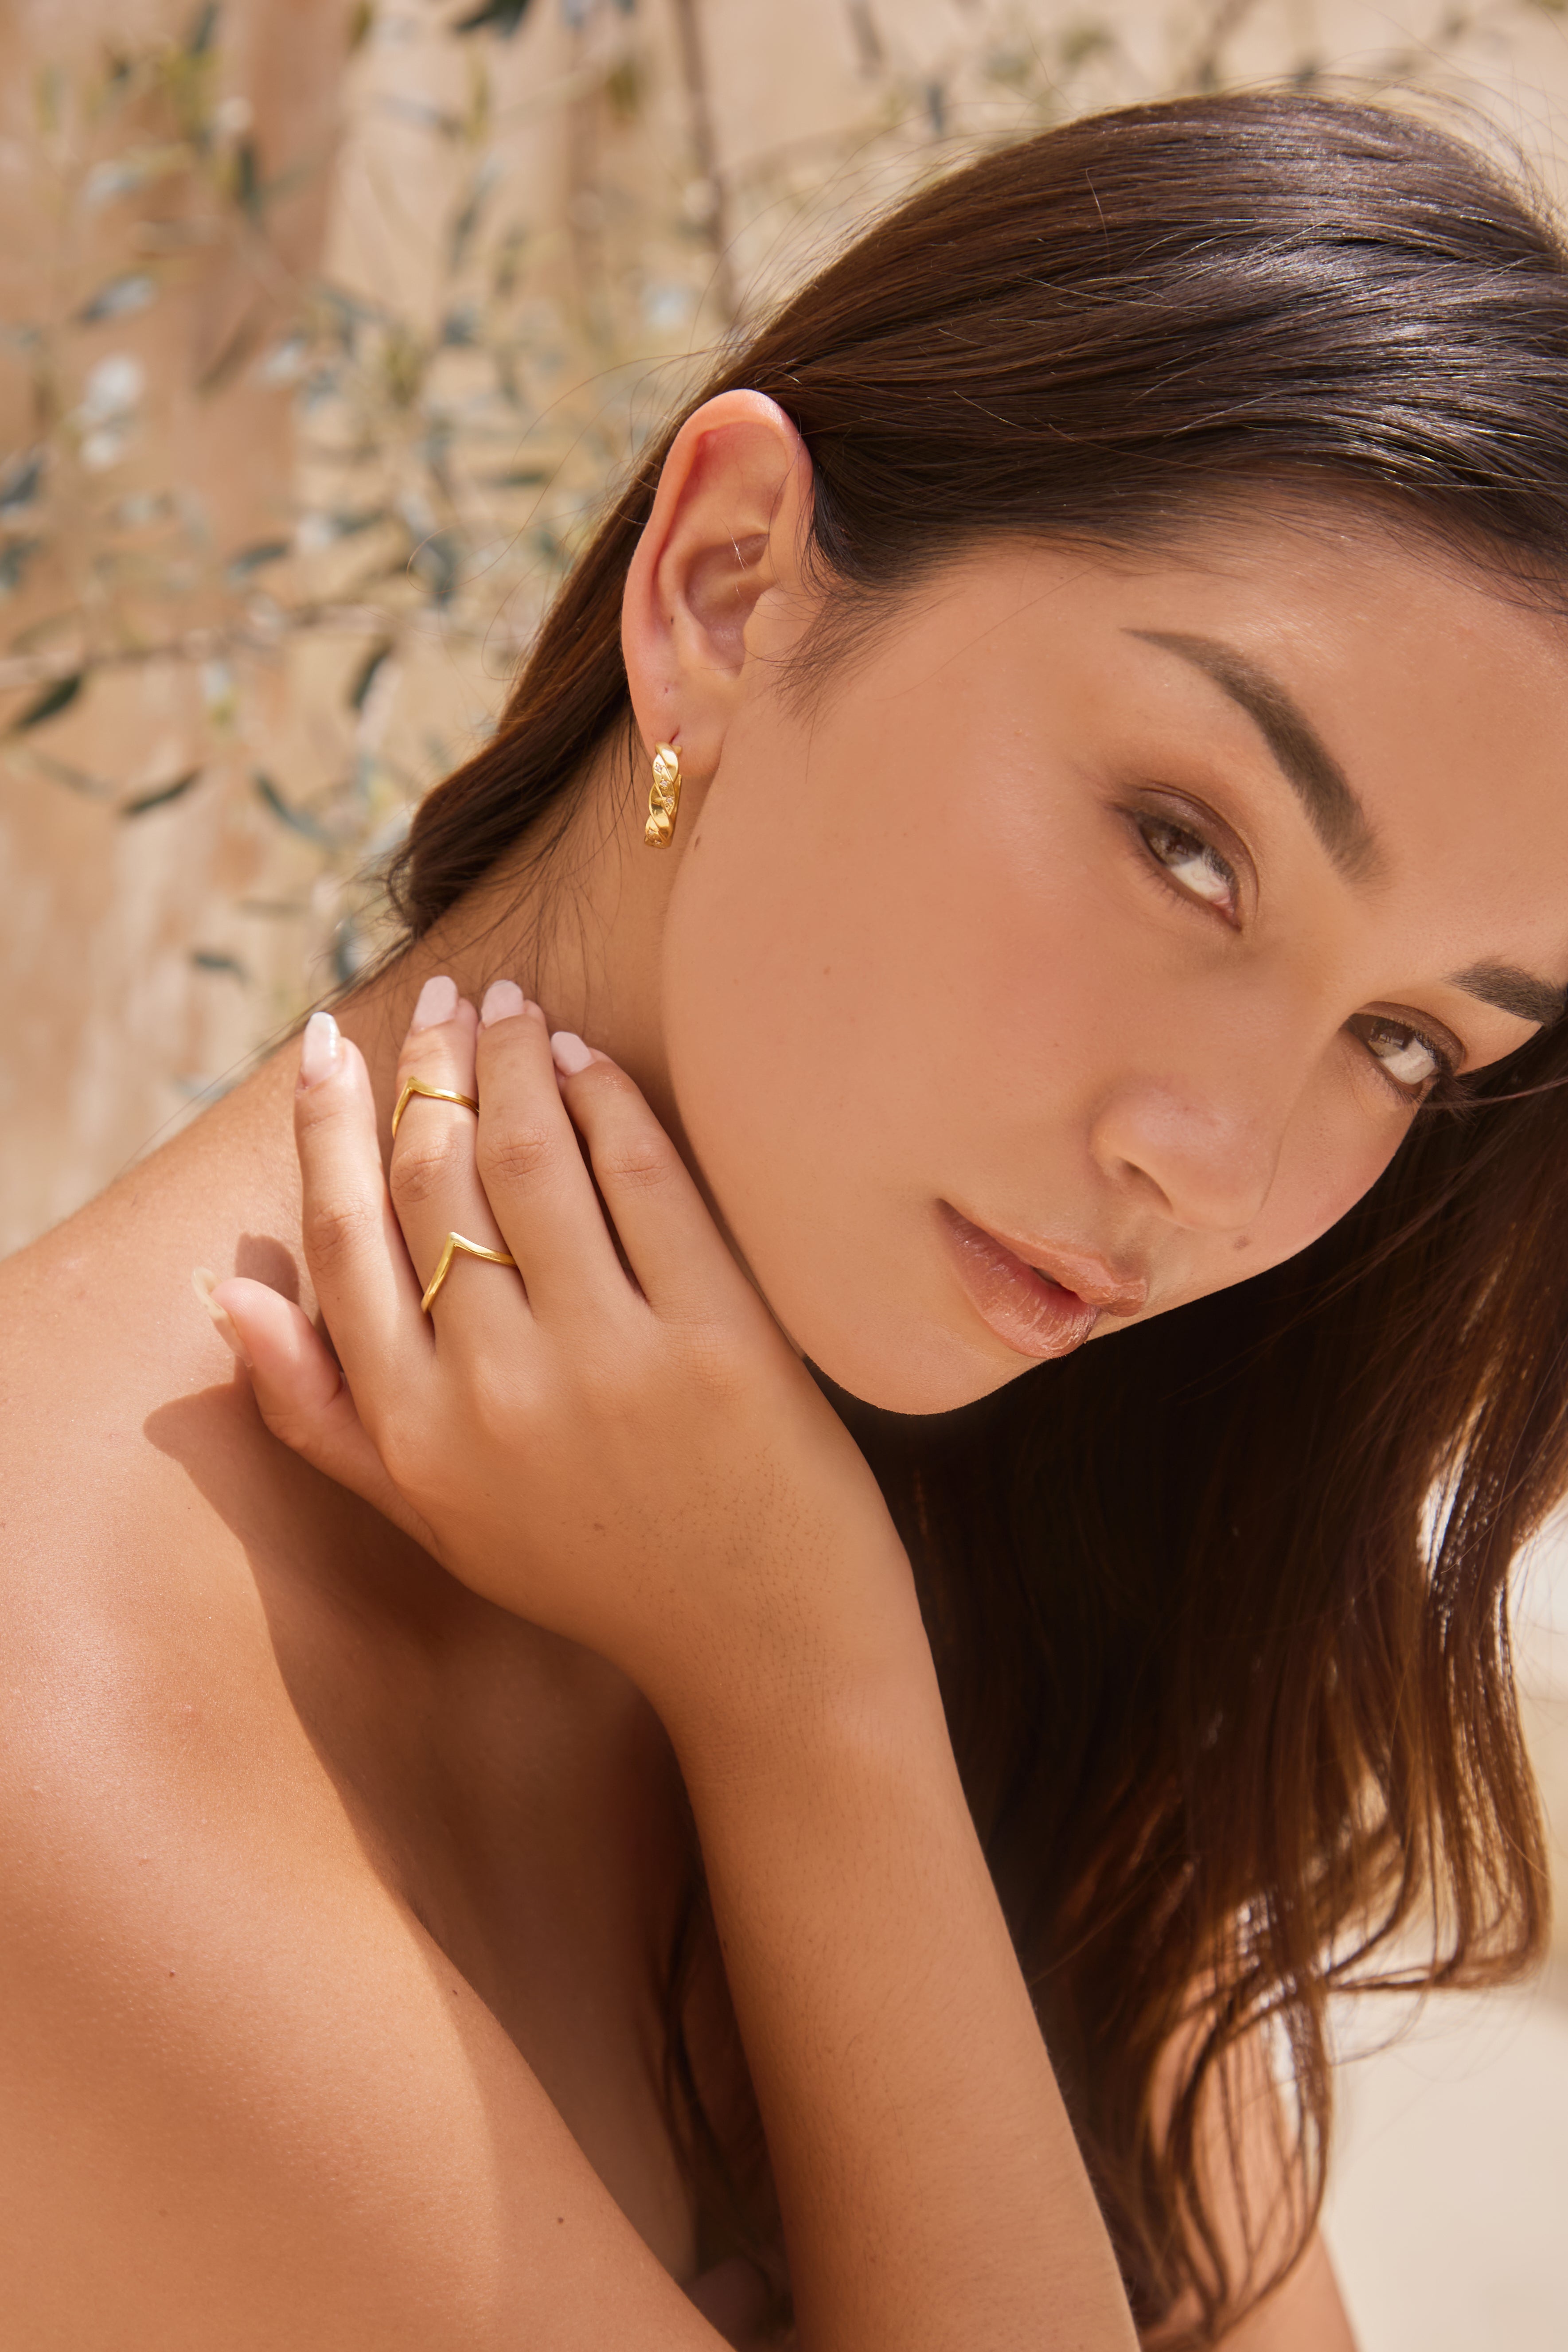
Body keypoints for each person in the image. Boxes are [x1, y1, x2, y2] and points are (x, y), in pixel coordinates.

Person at [4, 87, 1568, 2349]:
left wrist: (809, 1676)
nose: (1220, 1169)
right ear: (727, 586)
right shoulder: (78, 1736)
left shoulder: (1022, 1498)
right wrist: (817, 1696)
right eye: (1190, 844)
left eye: (1411, 1039)